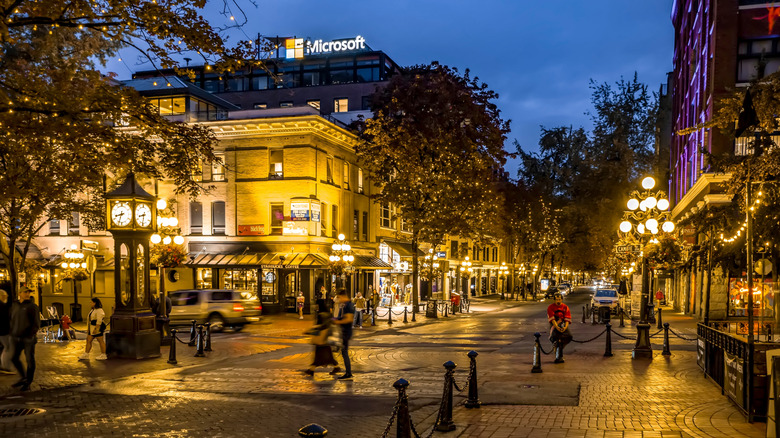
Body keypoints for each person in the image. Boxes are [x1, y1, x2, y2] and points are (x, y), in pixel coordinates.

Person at [10, 288, 39, 390]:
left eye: (28, 292)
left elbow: (36, 323)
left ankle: (28, 381)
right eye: (25, 292)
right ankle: (23, 377)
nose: (27, 294)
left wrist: (30, 335)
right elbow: (12, 320)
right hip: (16, 337)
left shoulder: (32, 307)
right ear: (19, 293)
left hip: (28, 338)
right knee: (14, 358)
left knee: (30, 360)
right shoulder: (15, 306)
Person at [304, 312, 340, 376]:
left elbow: (316, 332)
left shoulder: (321, 324)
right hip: (325, 343)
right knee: (328, 357)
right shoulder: (328, 323)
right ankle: (336, 367)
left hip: (321, 343)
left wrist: (308, 332)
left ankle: (312, 370)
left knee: (320, 357)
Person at [331, 289, 355, 380]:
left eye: (339, 297)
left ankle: (348, 373)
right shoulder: (345, 305)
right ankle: (347, 372)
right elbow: (343, 317)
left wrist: (337, 321)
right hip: (344, 331)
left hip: (346, 332)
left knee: (344, 352)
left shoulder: (349, 305)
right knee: (343, 351)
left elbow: (349, 319)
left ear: (343, 296)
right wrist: (336, 319)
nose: (339, 299)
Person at [546, 292, 572, 363]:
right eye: (557, 299)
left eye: (559, 299)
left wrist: (565, 327)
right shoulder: (550, 307)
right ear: (554, 300)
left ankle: (560, 348)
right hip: (554, 325)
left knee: (569, 336)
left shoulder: (565, 307)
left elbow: (567, 318)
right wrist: (557, 327)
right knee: (554, 337)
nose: (558, 301)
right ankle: (557, 349)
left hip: (563, 324)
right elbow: (552, 319)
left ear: (562, 300)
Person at [0, 289, 14, 374]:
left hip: (2, 331)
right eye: (5, 296)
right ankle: (5, 367)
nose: (7, 297)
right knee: (8, 348)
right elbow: (7, 319)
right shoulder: (3, 306)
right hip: (4, 331)